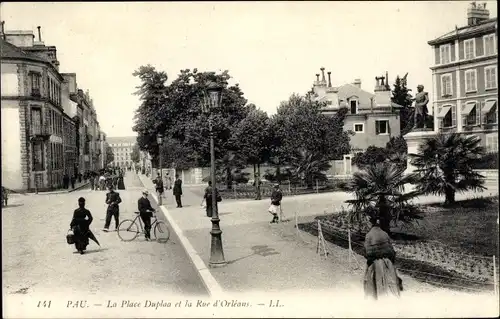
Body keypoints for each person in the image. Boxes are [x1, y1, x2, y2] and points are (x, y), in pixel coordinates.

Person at [363, 216, 403, 300]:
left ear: (370, 223)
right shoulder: (385, 233)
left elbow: (368, 252)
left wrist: (370, 262)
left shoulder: (369, 235)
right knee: (391, 282)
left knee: (372, 282)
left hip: (376, 263)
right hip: (388, 262)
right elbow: (391, 251)